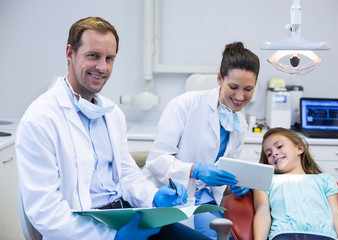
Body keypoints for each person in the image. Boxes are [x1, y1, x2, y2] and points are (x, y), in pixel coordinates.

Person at [15, 17, 211, 240]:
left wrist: (154, 196)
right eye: (93, 56)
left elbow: (126, 173)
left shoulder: (111, 113)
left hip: (127, 217)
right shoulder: (40, 119)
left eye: (109, 58)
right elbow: (45, 213)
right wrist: (112, 238)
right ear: (70, 53)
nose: (102, 67)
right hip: (83, 230)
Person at [142, 42, 260, 239]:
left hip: (206, 201)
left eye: (248, 89)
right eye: (233, 87)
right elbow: (156, 161)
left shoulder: (240, 123)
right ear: (219, 78)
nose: (240, 96)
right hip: (173, 197)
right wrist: (195, 170)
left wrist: (235, 185)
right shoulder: (185, 105)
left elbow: (222, 177)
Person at [253, 127, 338, 240]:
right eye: (269, 154)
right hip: (285, 235)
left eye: (279, 146)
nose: (274, 153)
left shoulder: (324, 180)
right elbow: (262, 214)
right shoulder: (266, 180)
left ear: (299, 148)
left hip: (325, 236)